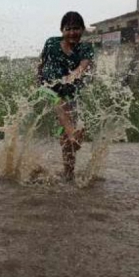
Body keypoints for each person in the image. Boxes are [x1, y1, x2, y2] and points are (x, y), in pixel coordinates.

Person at [36, 11, 94, 181]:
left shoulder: (85, 48)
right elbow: (41, 62)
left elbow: (83, 66)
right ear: (62, 30)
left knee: (67, 143)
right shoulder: (51, 43)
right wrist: (37, 80)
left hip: (71, 93)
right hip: (48, 88)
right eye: (68, 29)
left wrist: (72, 77)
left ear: (82, 30)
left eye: (76, 29)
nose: (72, 33)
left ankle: (68, 174)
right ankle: (72, 133)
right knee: (58, 101)